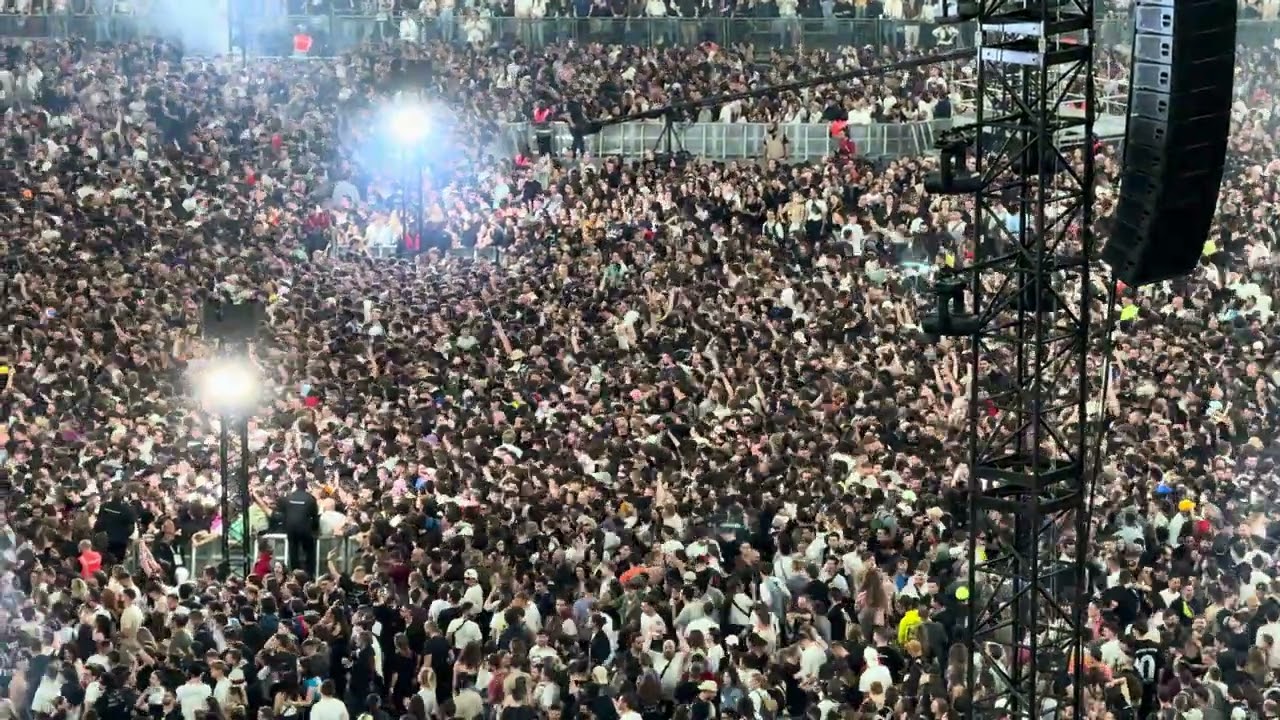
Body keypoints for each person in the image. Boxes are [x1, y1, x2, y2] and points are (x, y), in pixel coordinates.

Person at [282, 478, 320, 574]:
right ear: (306, 486)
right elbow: (315, 517)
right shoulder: (310, 499)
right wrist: (315, 529)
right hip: (305, 529)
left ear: (296, 485)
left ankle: (295, 573)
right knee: (309, 551)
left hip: (291, 529)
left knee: (293, 551)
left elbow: (284, 514)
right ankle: (309, 574)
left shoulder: (288, 498)